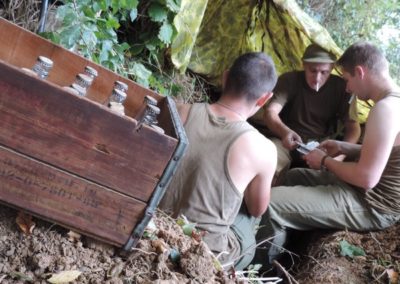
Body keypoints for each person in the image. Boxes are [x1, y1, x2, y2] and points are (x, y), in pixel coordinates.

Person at [256, 42, 400, 265]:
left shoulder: (384, 109)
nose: (348, 88)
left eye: (347, 79)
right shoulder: (394, 101)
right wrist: (344, 147)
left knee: (271, 203)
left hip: (372, 203)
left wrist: (324, 160)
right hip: (363, 190)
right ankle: (290, 235)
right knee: (294, 176)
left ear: (360, 72)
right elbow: (386, 152)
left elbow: (367, 178)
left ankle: (263, 269)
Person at [159, 52, 278, 270]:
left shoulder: (181, 111)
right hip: (203, 254)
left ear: (225, 78)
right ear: (264, 99)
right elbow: (256, 209)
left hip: (156, 226)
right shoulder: (264, 149)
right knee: (250, 222)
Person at [250, 43, 360, 184]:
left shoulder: (343, 88)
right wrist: (285, 132)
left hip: (321, 146)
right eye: (313, 71)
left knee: (323, 181)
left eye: (324, 72)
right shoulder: (289, 80)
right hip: (285, 140)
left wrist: (340, 155)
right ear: (303, 65)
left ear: (332, 68)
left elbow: (353, 127)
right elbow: (270, 112)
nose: (317, 78)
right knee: (268, 163)